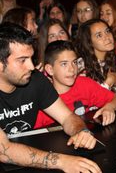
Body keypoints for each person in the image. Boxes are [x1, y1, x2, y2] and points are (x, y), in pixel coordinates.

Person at [0, 22, 101, 173]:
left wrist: (80, 131)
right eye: (22, 60)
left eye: (31, 58)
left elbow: (67, 117)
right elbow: (4, 151)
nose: (31, 66)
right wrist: (62, 161)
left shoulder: (35, 80)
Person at [34, 40, 116, 129]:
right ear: (50, 69)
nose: (72, 69)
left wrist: (110, 107)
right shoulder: (43, 99)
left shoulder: (84, 84)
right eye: (64, 64)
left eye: (74, 62)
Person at [75, 19, 116, 96]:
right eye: (99, 35)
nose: (107, 37)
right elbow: (89, 101)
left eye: (107, 31)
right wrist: (108, 83)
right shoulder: (81, 66)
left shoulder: (114, 58)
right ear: (89, 42)